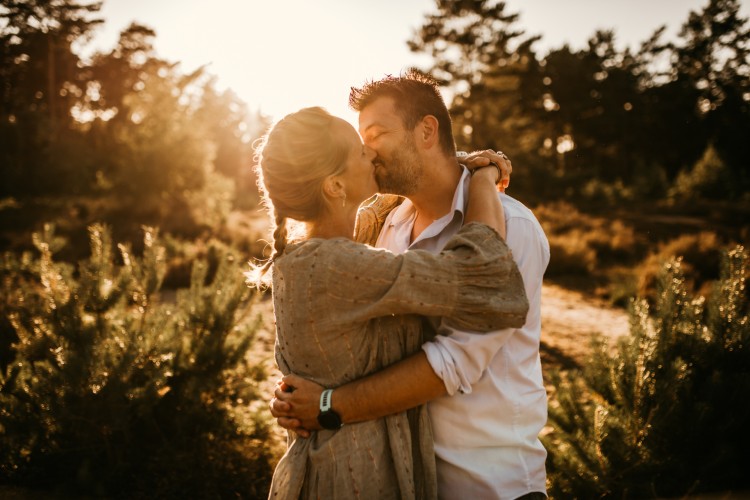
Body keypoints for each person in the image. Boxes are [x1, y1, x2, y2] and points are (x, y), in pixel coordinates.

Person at [271, 71, 551, 500]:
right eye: (360, 141)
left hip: (483, 483)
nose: (367, 150)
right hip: (395, 476)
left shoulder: (513, 226)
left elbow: (455, 362)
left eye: (377, 133)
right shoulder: (383, 224)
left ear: (426, 130)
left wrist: (328, 405)